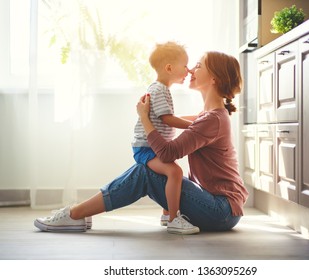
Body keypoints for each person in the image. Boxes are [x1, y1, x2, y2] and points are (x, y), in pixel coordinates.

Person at [34, 51, 249, 234]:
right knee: (150, 170)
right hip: (220, 207)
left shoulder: (213, 119)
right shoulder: (210, 115)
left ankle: (76, 214)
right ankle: (80, 213)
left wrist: (145, 118)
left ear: (214, 79)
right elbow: (183, 124)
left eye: (199, 66)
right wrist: (156, 116)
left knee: (145, 171)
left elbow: (167, 153)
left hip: (221, 211)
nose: (192, 69)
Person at [132, 41, 199, 234]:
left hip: (150, 147)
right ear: (169, 68)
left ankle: (166, 212)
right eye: (185, 66)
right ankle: (173, 218)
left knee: (170, 174)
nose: (188, 71)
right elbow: (168, 119)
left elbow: (169, 118)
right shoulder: (159, 90)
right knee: (175, 173)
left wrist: (197, 118)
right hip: (146, 148)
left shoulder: (161, 89)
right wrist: (196, 126)